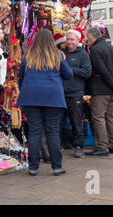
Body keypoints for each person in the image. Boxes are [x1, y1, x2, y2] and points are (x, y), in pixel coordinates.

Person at [17, 29, 73, 176]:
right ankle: (56, 167)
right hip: (53, 98)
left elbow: (20, 77)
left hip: (31, 98)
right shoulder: (58, 55)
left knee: (35, 132)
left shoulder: (28, 56)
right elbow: (68, 75)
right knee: (53, 132)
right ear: (51, 41)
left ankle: (33, 167)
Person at [85, 27, 113, 156]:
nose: (86, 40)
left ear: (91, 37)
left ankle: (102, 147)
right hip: (112, 90)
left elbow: (102, 70)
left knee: (98, 117)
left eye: (87, 37)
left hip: (101, 89)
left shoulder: (95, 50)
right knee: (109, 117)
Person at [62, 29, 92, 158]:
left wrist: (69, 70)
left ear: (78, 41)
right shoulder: (61, 53)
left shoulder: (83, 54)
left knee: (76, 121)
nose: (69, 42)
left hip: (75, 92)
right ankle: (59, 145)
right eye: (68, 39)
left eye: (72, 39)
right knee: (58, 121)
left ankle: (78, 146)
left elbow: (87, 72)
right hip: (60, 92)